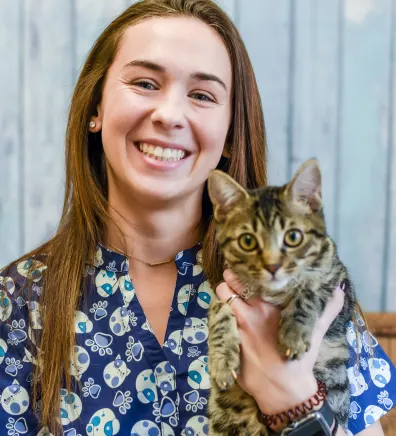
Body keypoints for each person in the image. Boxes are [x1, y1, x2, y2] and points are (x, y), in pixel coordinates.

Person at [0, 0, 395, 435]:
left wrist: (292, 396)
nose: (169, 115)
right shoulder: (16, 304)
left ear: (229, 133)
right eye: (146, 83)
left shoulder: (311, 288)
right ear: (95, 108)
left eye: (202, 95)